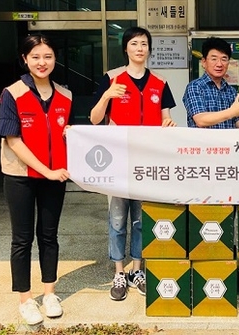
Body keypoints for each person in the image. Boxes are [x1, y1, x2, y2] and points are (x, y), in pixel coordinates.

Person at [90, 26, 176, 301]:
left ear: (149, 49)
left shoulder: (160, 82)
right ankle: (119, 272)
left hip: (147, 162)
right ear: (126, 48)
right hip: (118, 162)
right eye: (134, 43)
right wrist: (107, 95)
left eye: (144, 44)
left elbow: (166, 117)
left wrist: (168, 123)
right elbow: (94, 119)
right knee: (117, 220)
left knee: (140, 220)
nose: (140, 48)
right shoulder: (111, 78)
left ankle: (137, 270)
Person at [0, 34, 72, 325]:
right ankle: (26, 299)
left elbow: (64, 132)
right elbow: (13, 140)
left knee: (49, 236)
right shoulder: (12, 93)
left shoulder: (65, 95)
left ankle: (49, 293)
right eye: (36, 57)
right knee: (22, 238)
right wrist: (46, 170)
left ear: (55, 59)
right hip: (20, 177)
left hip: (55, 176)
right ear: (25, 59)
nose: (42, 62)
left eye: (48, 56)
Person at [182, 37, 239, 128]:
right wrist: (232, 112)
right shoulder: (195, 87)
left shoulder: (231, 91)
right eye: (214, 59)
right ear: (204, 62)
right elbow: (201, 120)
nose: (219, 64)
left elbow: (237, 125)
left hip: (228, 138)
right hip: (203, 138)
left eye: (224, 59)